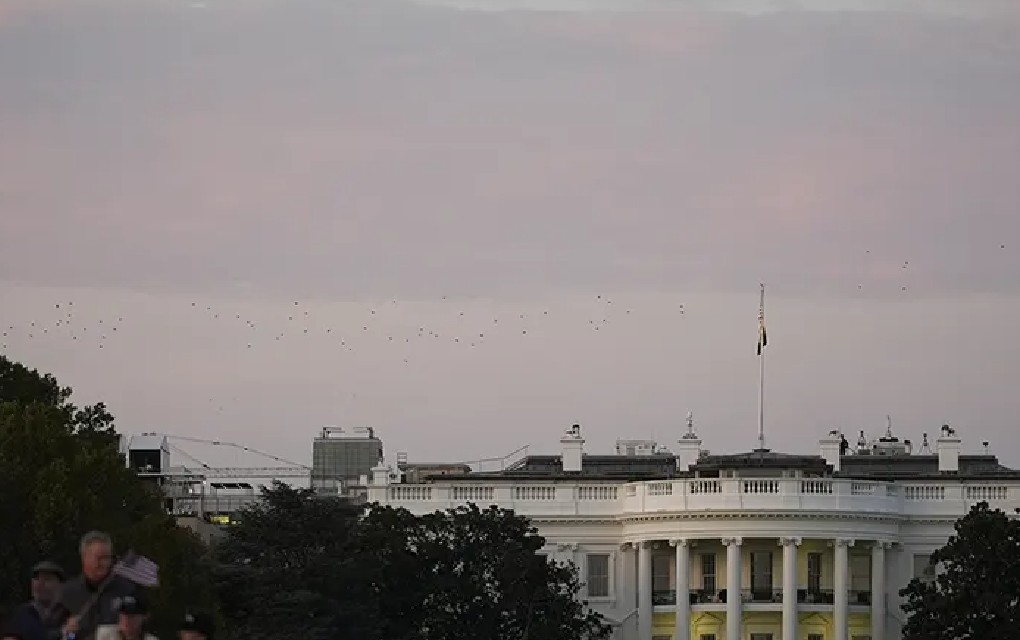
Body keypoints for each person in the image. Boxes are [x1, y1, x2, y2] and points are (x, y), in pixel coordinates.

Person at [55, 531, 137, 640]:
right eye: (99, 558)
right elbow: (59, 635)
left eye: (107, 558)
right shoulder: (66, 593)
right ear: (85, 558)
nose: (105, 564)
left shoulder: (126, 590)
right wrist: (70, 634)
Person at [4, 560, 65, 640]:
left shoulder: (68, 615)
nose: (39, 584)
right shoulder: (21, 614)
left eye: (47, 579)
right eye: (36, 579)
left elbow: (73, 637)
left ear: (60, 586)